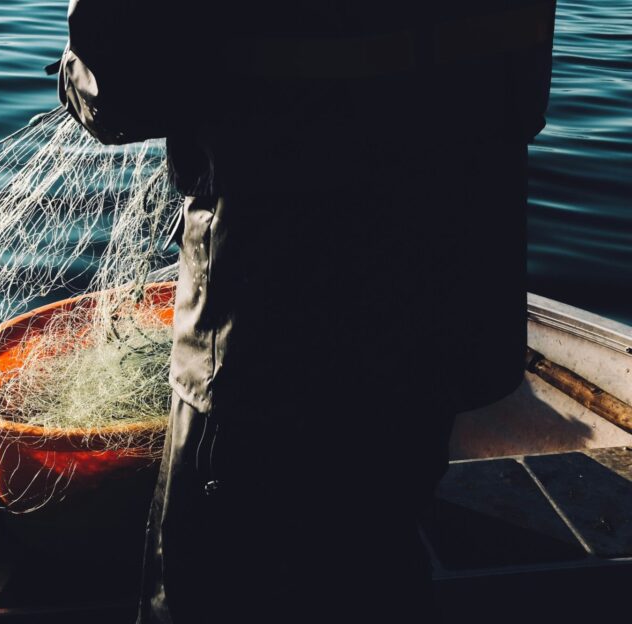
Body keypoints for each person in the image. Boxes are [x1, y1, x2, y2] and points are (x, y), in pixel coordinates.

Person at [57, 1, 557, 621]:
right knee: (377, 552)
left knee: (214, 582)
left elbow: (121, 93)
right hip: (442, 303)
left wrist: (76, 70)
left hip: (266, 327)